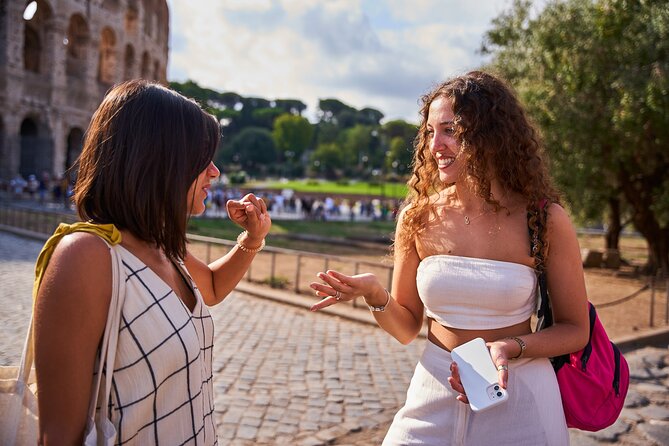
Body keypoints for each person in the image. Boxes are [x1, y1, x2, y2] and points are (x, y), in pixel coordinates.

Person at [310, 71, 589, 445]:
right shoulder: (417, 217)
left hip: (520, 398)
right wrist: (376, 295)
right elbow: (408, 328)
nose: (433, 145)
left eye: (450, 130)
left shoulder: (545, 219)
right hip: (433, 390)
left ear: (491, 136)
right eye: (429, 132)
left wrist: (511, 348)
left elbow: (576, 330)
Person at [33, 80, 271, 445]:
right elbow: (59, 435)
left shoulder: (159, 241)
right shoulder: (86, 257)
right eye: (201, 157)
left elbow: (210, 288)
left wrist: (252, 239)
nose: (215, 171)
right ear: (160, 158)